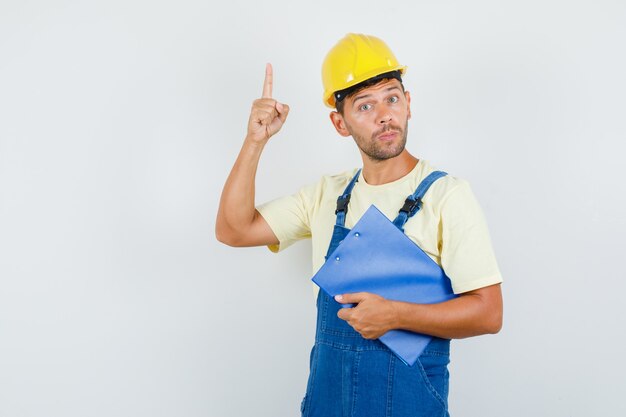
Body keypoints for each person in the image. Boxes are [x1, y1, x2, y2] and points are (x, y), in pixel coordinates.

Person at [216, 33, 503, 417]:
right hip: (328, 404)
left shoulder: (447, 195)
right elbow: (234, 230)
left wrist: (395, 315)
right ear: (340, 123)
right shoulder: (327, 195)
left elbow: (489, 313)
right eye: (365, 106)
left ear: (409, 103)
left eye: (392, 97)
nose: (385, 114)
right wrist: (255, 141)